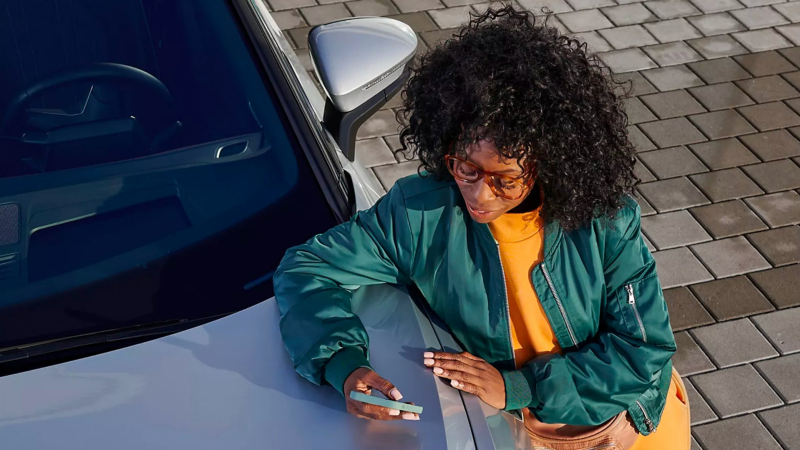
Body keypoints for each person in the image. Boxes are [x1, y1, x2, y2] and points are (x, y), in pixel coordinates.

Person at [273, 5, 690, 449]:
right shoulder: (418, 216)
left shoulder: (606, 222)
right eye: (464, 167)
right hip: (514, 434)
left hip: (627, 426)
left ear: (550, 159)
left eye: (504, 179)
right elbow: (307, 268)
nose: (479, 195)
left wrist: (518, 389)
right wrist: (343, 365)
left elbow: (642, 350)